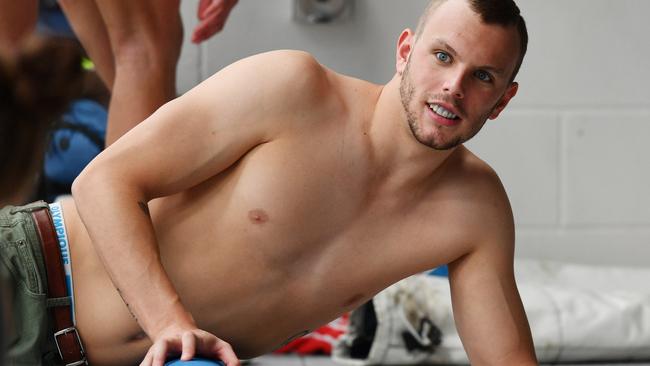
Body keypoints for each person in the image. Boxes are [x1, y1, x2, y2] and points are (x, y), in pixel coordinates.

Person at [1, 0, 538, 365]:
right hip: (28, 276)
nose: (453, 87)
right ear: (404, 53)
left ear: (502, 101)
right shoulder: (294, 89)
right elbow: (104, 180)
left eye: (483, 76)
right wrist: (171, 324)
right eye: (442, 56)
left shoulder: (475, 213)